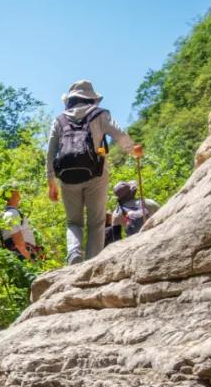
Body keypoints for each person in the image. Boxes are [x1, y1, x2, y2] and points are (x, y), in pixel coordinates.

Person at [46, 80, 143, 264]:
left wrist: (51, 182)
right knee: (96, 222)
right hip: (96, 175)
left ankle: (74, 254)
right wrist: (133, 150)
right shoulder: (100, 114)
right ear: (92, 99)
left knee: (73, 222)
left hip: (67, 178)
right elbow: (120, 135)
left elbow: (50, 152)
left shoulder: (59, 120)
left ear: (70, 100)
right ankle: (91, 264)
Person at [0, 186, 42, 261]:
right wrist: (31, 260)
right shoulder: (12, 214)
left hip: (18, 254)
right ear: (10, 195)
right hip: (22, 256)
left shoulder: (6, 213)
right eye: (16, 192)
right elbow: (18, 242)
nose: (20, 196)